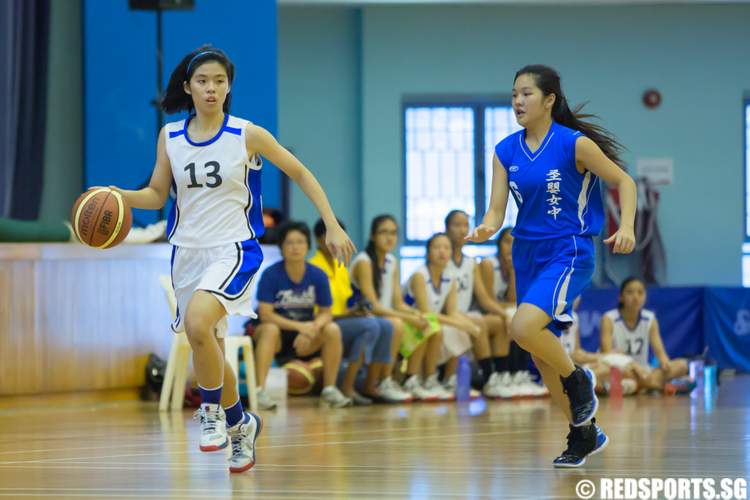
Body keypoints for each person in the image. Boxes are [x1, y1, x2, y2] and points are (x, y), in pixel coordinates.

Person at [106, 46, 354, 473]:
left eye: (219, 81)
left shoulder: (246, 134)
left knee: (199, 324)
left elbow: (300, 172)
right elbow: (156, 195)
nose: (212, 88)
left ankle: (210, 414)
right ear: (187, 87)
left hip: (234, 247)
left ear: (228, 87)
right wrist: (115, 195)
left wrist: (330, 223)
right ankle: (242, 423)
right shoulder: (171, 137)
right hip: (186, 252)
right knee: (209, 347)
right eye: (203, 81)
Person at [467, 64, 637, 467]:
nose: (517, 102)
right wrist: (485, 229)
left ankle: (580, 379)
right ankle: (584, 434)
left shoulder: (574, 144)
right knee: (540, 356)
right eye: (513, 95)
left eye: (526, 94)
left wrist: (626, 225)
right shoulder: (505, 150)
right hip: (526, 254)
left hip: (568, 250)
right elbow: (495, 212)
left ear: (549, 100)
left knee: (521, 327)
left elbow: (624, 182)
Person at [253, 221, 352, 409]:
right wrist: (301, 327)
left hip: (305, 337)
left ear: (307, 246)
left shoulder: (317, 275)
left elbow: (325, 313)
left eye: (300, 242)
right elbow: (265, 314)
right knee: (270, 329)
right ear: (281, 247)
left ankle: (329, 389)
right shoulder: (270, 274)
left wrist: (312, 328)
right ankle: (259, 391)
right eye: (289, 243)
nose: (295, 247)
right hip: (277, 335)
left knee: (331, 329)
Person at [310, 218, 409, 404]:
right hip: (325, 323)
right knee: (373, 324)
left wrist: (354, 311)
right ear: (318, 240)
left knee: (384, 326)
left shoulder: (341, 266)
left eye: (338, 236)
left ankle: (377, 383)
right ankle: (348, 386)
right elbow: (320, 312)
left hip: (343, 319)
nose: (334, 241)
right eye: (328, 236)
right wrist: (349, 314)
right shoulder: (314, 267)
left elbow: (346, 302)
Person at [348, 215, 428, 402]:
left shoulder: (392, 261)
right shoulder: (364, 261)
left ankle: (412, 379)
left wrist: (418, 314)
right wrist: (407, 317)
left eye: (393, 233)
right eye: (384, 232)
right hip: (360, 316)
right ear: (373, 236)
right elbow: (373, 306)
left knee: (427, 323)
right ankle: (382, 380)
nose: (389, 237)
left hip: (383, 316)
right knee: (396, 324)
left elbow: (398, 302)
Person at [404, 233, 481, 401]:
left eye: (446, 248)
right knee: (436, 329)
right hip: (410, 322)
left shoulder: (450, 276)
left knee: (460, 330)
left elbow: (453, 311)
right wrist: (462, 324)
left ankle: (448, 380)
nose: (442, 252)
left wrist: (468, 326)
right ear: (428, 252)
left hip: (429, 323)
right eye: (437, 247)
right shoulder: (420, 275)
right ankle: (417, 379)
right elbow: (427, 313)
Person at [479, 226, 547, 397]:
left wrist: (513, 272)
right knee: (513, 319)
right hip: (484, 313)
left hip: (502, 311)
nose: (510, 246)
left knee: (524, 319)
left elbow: (513, 299)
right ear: (499, 244)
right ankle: (501, 375)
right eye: (506, 242)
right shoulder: (488, 264)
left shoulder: (519, 267)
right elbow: (487, 301)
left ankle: (519, 375)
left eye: (515, 242)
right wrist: (506, 313)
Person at [600, 277, 690, 393]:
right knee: (614, 372)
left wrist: (665, 364)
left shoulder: (649, 318)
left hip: (644, 370)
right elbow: (607, 354)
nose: (635, 297)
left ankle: (640, 386)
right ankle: (656, 385)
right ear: (620, 297)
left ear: (645, 296)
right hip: (621, 369)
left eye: (640, 292)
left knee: (682, 365)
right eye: (630, 292)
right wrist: (630, 365)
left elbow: (661, 353)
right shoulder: (609, 318)